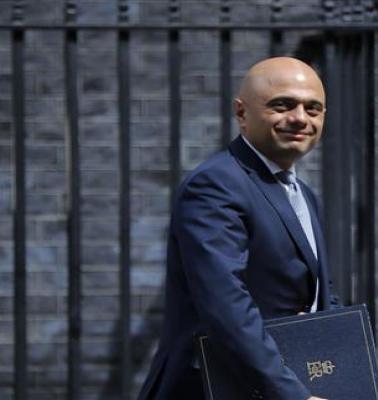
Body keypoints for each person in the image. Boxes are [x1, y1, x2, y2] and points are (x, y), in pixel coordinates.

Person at [138, 57, 332, 400]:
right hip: (215, 388)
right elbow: (225, 303)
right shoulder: (215, 185)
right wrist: (290, 393)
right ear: (242, 113)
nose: (300, 118)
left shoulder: (302, 194)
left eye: (313, 108)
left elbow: (311, 292)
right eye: (282, 105)